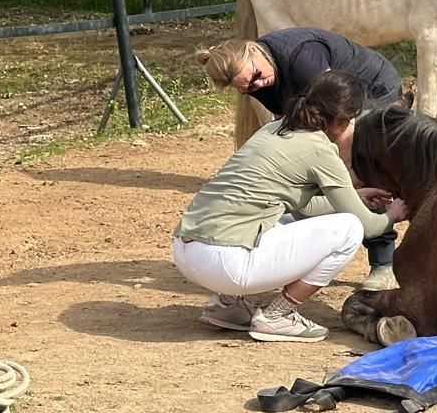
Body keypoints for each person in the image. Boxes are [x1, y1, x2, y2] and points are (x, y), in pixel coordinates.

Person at [171, 70, 410, 342]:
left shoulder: (275, 128)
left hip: (186, 250)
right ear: (343, 120)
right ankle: (278, 316)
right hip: (225, 263)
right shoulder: (320, 149)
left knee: (278, 218)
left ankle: (227, 306)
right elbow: (367, 227)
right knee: (350, 229)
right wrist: (391, 215)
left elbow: (303, 210)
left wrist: (355, 197)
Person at [197, 27, 406, 291]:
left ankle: (383, 264)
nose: (257, 86)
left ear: (253, 48)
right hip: (336, 108)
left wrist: (349, 173)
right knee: (319, 173)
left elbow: (341, 118)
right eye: (248, 88)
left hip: (372, 91)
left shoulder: (303, 59)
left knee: (362, 167)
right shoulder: (259, 76)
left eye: (256, 78)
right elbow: (290, 122)